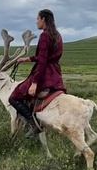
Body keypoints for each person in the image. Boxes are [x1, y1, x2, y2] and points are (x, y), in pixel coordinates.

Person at [9, 9, 66, 137]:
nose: (36, 22)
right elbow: (45, 57)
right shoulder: (57, 35)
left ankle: (33, 125)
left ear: (43, 19)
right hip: (55, 75)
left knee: (13, 98)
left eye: (37, 19)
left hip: (44, 75)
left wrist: (35, 83)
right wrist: (27, 59)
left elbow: (42, 62)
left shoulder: (45, 35)